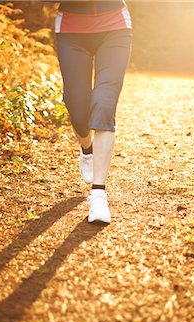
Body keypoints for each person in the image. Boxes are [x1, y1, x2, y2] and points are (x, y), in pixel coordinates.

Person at [55, 1, 132, 223]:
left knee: (104, 104)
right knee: (77, 109)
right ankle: (87, 149)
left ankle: (98, 194)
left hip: (115, 26)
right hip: (71, 30)